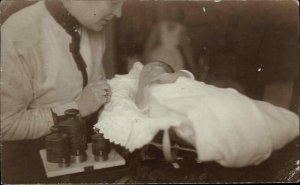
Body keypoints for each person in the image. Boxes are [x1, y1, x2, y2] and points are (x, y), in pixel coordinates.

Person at [1, 0, 124, 183]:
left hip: (83, 155)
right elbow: (5, 125)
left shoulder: (93, 24)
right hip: (33, 165)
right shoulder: (17, 33)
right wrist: (76, 108)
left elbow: (96, 89)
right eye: (113, 2)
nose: (119, 13)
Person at [98, 61, 298, 167]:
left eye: (156, 68)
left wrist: (171, 76)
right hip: (179, 107)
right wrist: (144, 88)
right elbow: (142, 109)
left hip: (196, 95)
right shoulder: (142, 92)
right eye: (146, 71)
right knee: (216, 121)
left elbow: (189, 80)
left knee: (226, 102)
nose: (150, 72)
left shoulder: (176, 78)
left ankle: (268, 125)